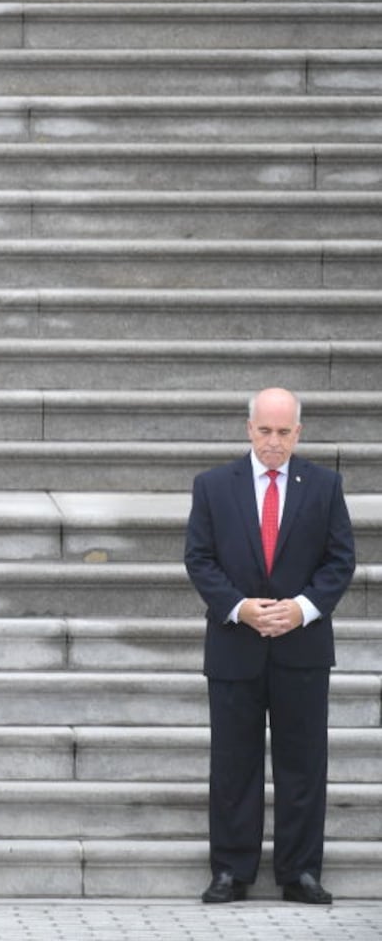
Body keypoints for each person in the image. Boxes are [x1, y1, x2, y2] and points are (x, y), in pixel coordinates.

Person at [184, 387, 355, 906]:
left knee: (303, 763)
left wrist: (302, 608)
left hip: (301, 647)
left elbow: (339, 560)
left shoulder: (325, 486)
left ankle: (300, 871)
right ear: (248, 428)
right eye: (265, 431)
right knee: (233, 764)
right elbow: (200, 558)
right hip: (236, 644)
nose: (274, 442)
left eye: (284, 432)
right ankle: (231, 872)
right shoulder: (213, 486)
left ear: (298, 433)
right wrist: (241, 607)